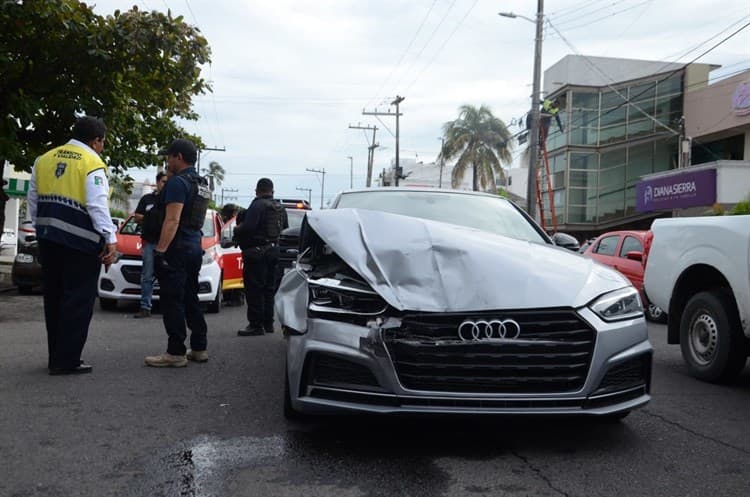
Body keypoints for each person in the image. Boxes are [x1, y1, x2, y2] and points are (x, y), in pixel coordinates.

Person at [27, 116, 117, 375]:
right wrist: (109, 238)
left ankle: (55, 355)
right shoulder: (92, 164)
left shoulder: (43, 159)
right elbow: (97, 205)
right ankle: (66, 360)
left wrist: (43, 228)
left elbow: (33, 199)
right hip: (80, 244)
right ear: (96, 140)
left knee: (53, 298)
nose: (102, 147)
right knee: (77, 301)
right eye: (102, 142)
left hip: (48, 240)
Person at [144, 138, 211, 367]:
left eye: (169, 157)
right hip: (194, 245)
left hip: (178, 246)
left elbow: (172, 220)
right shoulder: (201, 183)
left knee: (172, 299)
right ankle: (199, 347)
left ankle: (175, 353)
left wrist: (160, 251)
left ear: (178, 157)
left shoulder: (177, 183)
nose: (167, 162)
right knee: (190, 295)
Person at [234, 178, 288, 336]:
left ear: (257, 190)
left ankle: (255, 325)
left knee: (254, 289)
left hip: (256, 253)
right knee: (269, 288)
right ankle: (268, 323)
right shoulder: (279, 207)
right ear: (272, 191)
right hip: (274, 251)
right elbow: (285, 229)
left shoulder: (257, 205)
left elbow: (249, 227)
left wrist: (238, 229)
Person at [131, 171, 169, 318]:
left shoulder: (171, 200)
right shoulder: (147, 199)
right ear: (157, 182)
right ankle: (145, 307)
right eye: (163, 181)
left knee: (167, 277)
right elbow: (137, 216)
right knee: (147, 276)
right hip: (149, 243)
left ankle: (168, 307)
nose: (165, 184)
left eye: (167, 182)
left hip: (166, 244)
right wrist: (152, 218)